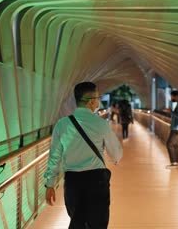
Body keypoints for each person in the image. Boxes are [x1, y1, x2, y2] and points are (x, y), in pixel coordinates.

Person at [44, 82, 123, 229]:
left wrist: (50, 184)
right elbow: (116, 155)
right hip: (97, 180)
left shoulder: (62, 125)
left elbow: (54, 156)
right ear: (92, 101)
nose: (99, 101)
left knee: (77, 223)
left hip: (73, 182)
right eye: (98, 98)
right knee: (98, 224)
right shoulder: (101, 124)